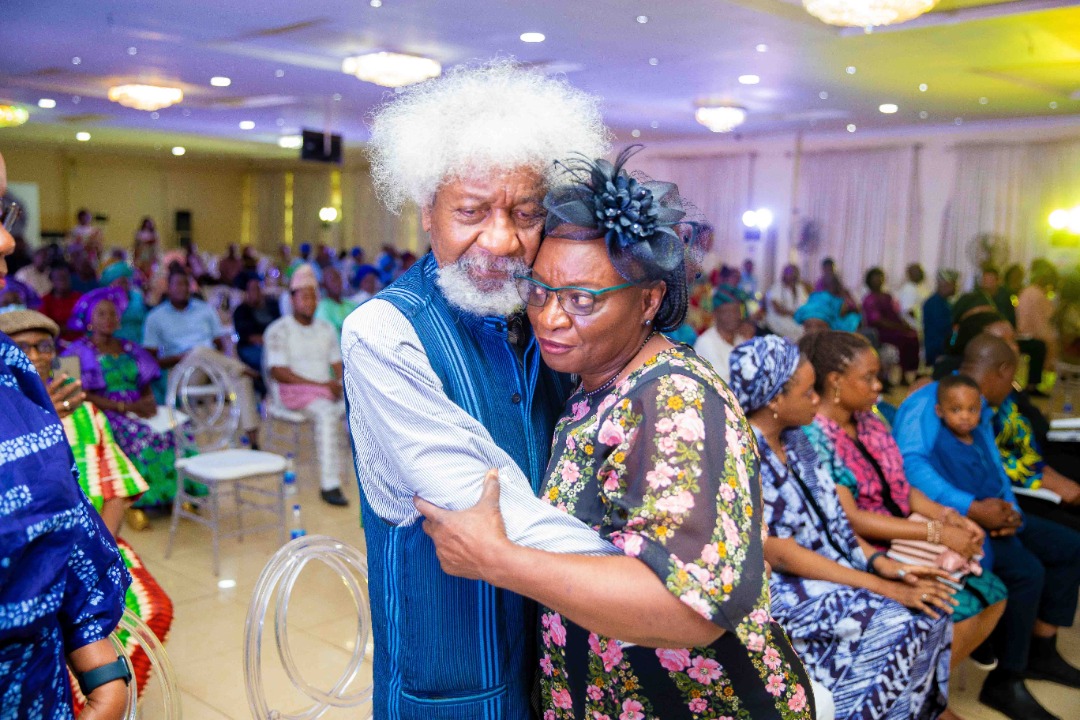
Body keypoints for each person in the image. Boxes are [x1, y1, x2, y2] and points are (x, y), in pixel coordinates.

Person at [417, 150, 814, 719]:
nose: (551, 318)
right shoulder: (595, 381)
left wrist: (496, 559)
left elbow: (687, 610)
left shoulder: (673, 400)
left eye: (582, 299)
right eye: (539, 292)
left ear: (649, 300)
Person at [341, 60, 616, 718]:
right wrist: (646, 585)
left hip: (554, 659)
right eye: (471, 211)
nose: (499, 240)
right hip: (458, 678)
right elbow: (484, 501)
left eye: (524, 213)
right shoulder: (382, 332)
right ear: (427, 212)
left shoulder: (543, 320)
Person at [730, 336, 955, 720]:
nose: (817, 401)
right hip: (782, 586)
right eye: (807, 393)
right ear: (774, 401)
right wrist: (882, 586)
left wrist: (888, 566)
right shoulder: (741, 451)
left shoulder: (797, 439)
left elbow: (835, 524)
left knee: (933, 608)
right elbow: (780, 551)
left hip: (833, 569)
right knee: (894, 621)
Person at [0, 147, 131, 720]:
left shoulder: (13, 373)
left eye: (4, 213)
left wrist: (103, 677)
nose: (7, 242)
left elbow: (60, 520)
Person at [895, 334, 1080, 720]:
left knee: (1069, 545)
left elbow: (994, 464)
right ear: (1003, 371)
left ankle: (1041, 653)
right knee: (1027, 571)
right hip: (952, 519)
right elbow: (911, 469)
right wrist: (973, 509)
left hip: (990, 512)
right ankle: (1006, 678)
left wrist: (1010, 512)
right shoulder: (930, 403)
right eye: (1012, 379)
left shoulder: (983, 406)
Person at [799, 331, 1007, 667]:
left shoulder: (870, 420)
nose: (879, 385)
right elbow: (851, 519)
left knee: (994, 593)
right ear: (836, 381)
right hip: (860, 548)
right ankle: (917, 695)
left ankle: (930, 695)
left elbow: (900, 487)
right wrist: (937, 534)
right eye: (868, 378)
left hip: (902, 534)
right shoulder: (813, 436)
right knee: (955, 608)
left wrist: (946, 515)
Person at [0, 309, 174, 712]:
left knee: (153, 609)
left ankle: (121, 702)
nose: (38, 356)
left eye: (44, 346)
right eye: (24, 347)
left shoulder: (85, 411)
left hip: (95, 546)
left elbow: (117, 485)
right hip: (30, 576)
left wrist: (100, 546)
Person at [62, 286, 187, 516]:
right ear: (88, 319)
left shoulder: (130, 347)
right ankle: (141, 500)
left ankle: (177, 493)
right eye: (101, 314)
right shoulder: (73, 352)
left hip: (137, 408)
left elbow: (146, 382)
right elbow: (75, 393)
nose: (109, 318)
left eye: (113, 313)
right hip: (101, 412)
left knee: (179, 430)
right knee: (142, 435)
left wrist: (148, 402)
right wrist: (125, 407)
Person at [143, 269, 261, 447]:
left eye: (186, 284)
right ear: (169, 288)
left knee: (242, 380)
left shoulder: (205, 310)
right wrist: (181, 357)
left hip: (211, 368)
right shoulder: (155, 317)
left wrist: (208, 356)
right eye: (178, 284)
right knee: (198, 351)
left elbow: (219, 345)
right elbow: (151, 360)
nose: (183, 288)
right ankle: (238, 366)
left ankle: (253, 440)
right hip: (181, 373)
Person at [264, 266, 348, 507]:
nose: (309, 302)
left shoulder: (326, 329)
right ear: (292, 300)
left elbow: (337, 365)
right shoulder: (279, 330)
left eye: (313, 296)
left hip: (325, 392)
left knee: (361, 405)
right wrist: (321, 385)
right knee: (326, 412)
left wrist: (341, 385)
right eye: (303, 296)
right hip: (292, 394)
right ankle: (329, 484)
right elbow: (278, 372)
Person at [862, 267, 920, 381]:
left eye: (880, 277)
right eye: (876, 278)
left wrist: (904, 324)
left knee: (912, 335)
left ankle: (907, 373)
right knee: (904, 338)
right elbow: (877, 320)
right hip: (879, 331)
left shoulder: (887, 296)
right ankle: (897, 376)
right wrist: (899, 327)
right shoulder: (869, 299)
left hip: (894, 327)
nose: (879, 280)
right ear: (869, 280)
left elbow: (895, 313)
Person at [693, 285, 752, 382]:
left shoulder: (741, 338)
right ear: (716, 314)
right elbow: (724, 385)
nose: (733, 317)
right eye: (727, 312)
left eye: (736, 311)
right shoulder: (706, 343)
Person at [1017, 260, 1059, 387]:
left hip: (1023, 333)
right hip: (1027, 335)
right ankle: (1033, 384)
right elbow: (1045, 318)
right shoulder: (1037, 294)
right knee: (1042, 346)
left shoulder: (1026, 291)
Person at [232, 270, 280, 377]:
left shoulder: (272, 306)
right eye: (252, 289)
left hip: (275, 343)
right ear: (247, 292)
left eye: (258, 289)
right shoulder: (241, 311)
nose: (256, 292)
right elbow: (247, 337)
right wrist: (268, 341)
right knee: (271, 360)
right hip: (252, 348)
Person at [794, 275, 860, 333]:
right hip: (824, 320)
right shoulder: (838, 299)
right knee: (853, 318)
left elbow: (799, 313)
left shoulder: (814, 295)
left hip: (805, 317)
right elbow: (843, 312)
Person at [923, 269, 958, 367]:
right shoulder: (934, 303)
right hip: (938, 347)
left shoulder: (945, 302)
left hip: (945, 343)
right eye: (953, 285)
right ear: (944, 285)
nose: (955, 288)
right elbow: (942, 327)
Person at [765, 263, 809, 340]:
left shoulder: (799, 287)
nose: (792, 275)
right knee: (793, 333)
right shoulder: (777, 287)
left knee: (805, 330)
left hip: (796, 318)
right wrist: (793, 313)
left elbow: (805, 304)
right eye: (790, 273)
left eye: (795, 273)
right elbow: (777, 309)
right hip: (779, 318)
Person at [41, 263, 83, 342]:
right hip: (56, 342)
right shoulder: (45, 300)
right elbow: (46, 326)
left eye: (65, 277)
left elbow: (85, 321)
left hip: (80, 341)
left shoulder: (79, 297)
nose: (63, 281)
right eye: (59, 278)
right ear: (52, 281)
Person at [314, 266, 357, 338]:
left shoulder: (351, 304)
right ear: (325, 285)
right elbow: (330, 334)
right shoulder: (323, 308)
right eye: (333, 280)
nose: (338, 283)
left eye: (339, 278)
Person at [897, 262, 930, 327]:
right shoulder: (908, 289)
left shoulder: (923, 287)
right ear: (909, 274)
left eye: (920, 271)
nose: (919, 274)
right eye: (915, 272)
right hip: (913, 326)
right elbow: (909, 311)